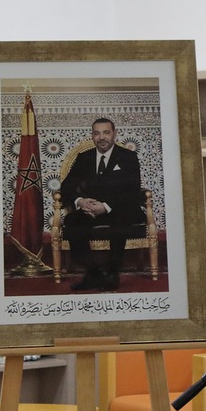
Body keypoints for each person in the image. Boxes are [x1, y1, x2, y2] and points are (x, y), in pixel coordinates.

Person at [61, 117, 145, 291]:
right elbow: (66, 186)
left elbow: (132, 191)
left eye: (106, 132)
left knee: (120, 220)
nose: (102, 137)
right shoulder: (84, 158)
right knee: (72, 222)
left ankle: (113, 274)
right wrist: (80, 201)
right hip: (91, 209)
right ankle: (93, 273)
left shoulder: (128, 157)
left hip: (121, 208)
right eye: (97, 133)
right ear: (92, 136)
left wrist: (105, 206)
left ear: (114, 134)